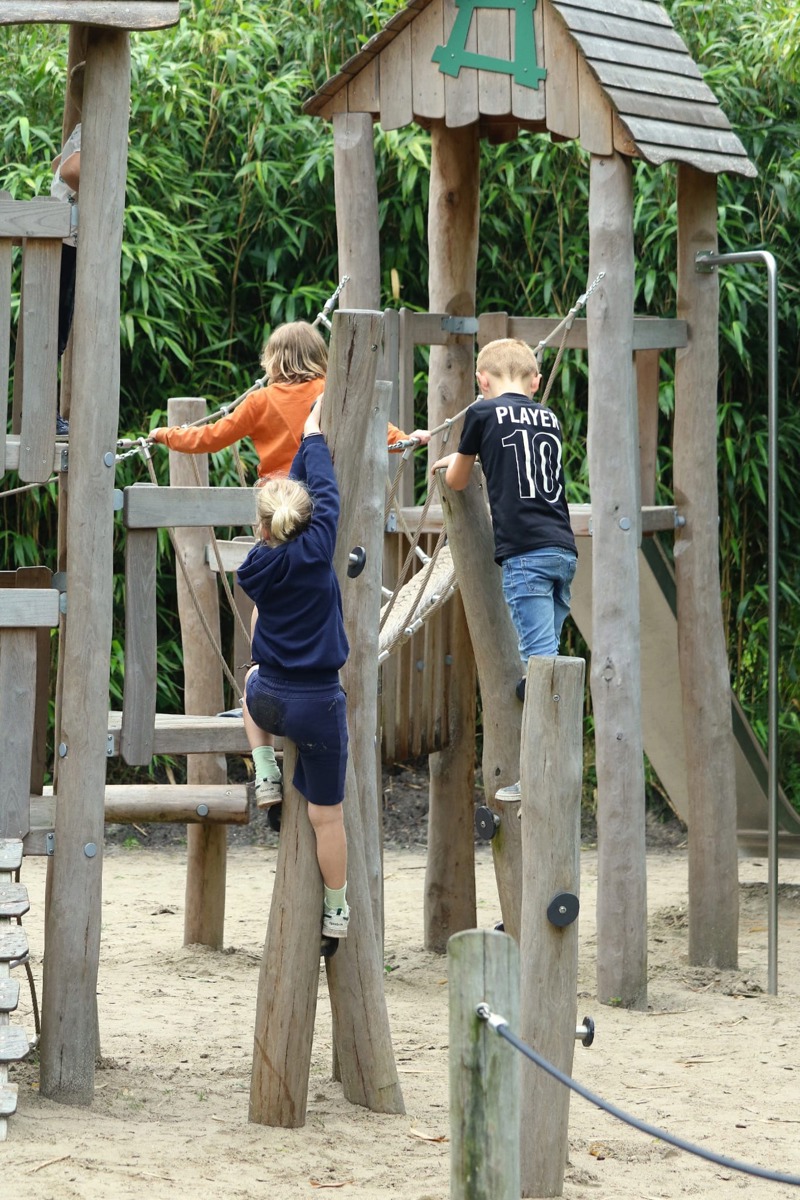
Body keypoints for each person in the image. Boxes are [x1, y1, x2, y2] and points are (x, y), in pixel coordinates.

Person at [431, 337, 577, 800]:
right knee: (545, 662)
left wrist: (450, 460)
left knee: (544, 670)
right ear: (536, 381)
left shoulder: (481, 413)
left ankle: (539, 779)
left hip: (524, 554)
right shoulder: (549, 417)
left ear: (482, 381)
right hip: (563, 552)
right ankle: (545, 755)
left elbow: (457, 480)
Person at [237, 401, 351, 937]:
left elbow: (304, 508)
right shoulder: (320, 547)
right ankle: (337, 911)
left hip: (272, 698)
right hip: (321, 703)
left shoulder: (255, 567)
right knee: (326, 815)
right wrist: (313, 436)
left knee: (247, 682)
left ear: (262, 526)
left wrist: (298, 460)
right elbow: (325, 498)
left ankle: (265, 770)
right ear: (310, 524)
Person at [150, 319, 430, 478]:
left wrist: (164, 434)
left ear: (272, 359)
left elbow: (210, 438)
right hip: (325, 488)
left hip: (279, 497)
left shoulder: (259, 401)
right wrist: (408, 438)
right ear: (320, 356)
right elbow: (378, 429)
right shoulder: (333, 393)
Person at [50, 59, 85, 436]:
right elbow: (70, 168)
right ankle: (47, 416)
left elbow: (59, 161)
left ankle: (47, 415)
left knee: (57, 329)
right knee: (57, 330)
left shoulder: (80, 127)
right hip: (66, 238)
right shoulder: (95, 127)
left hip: (61, 238)